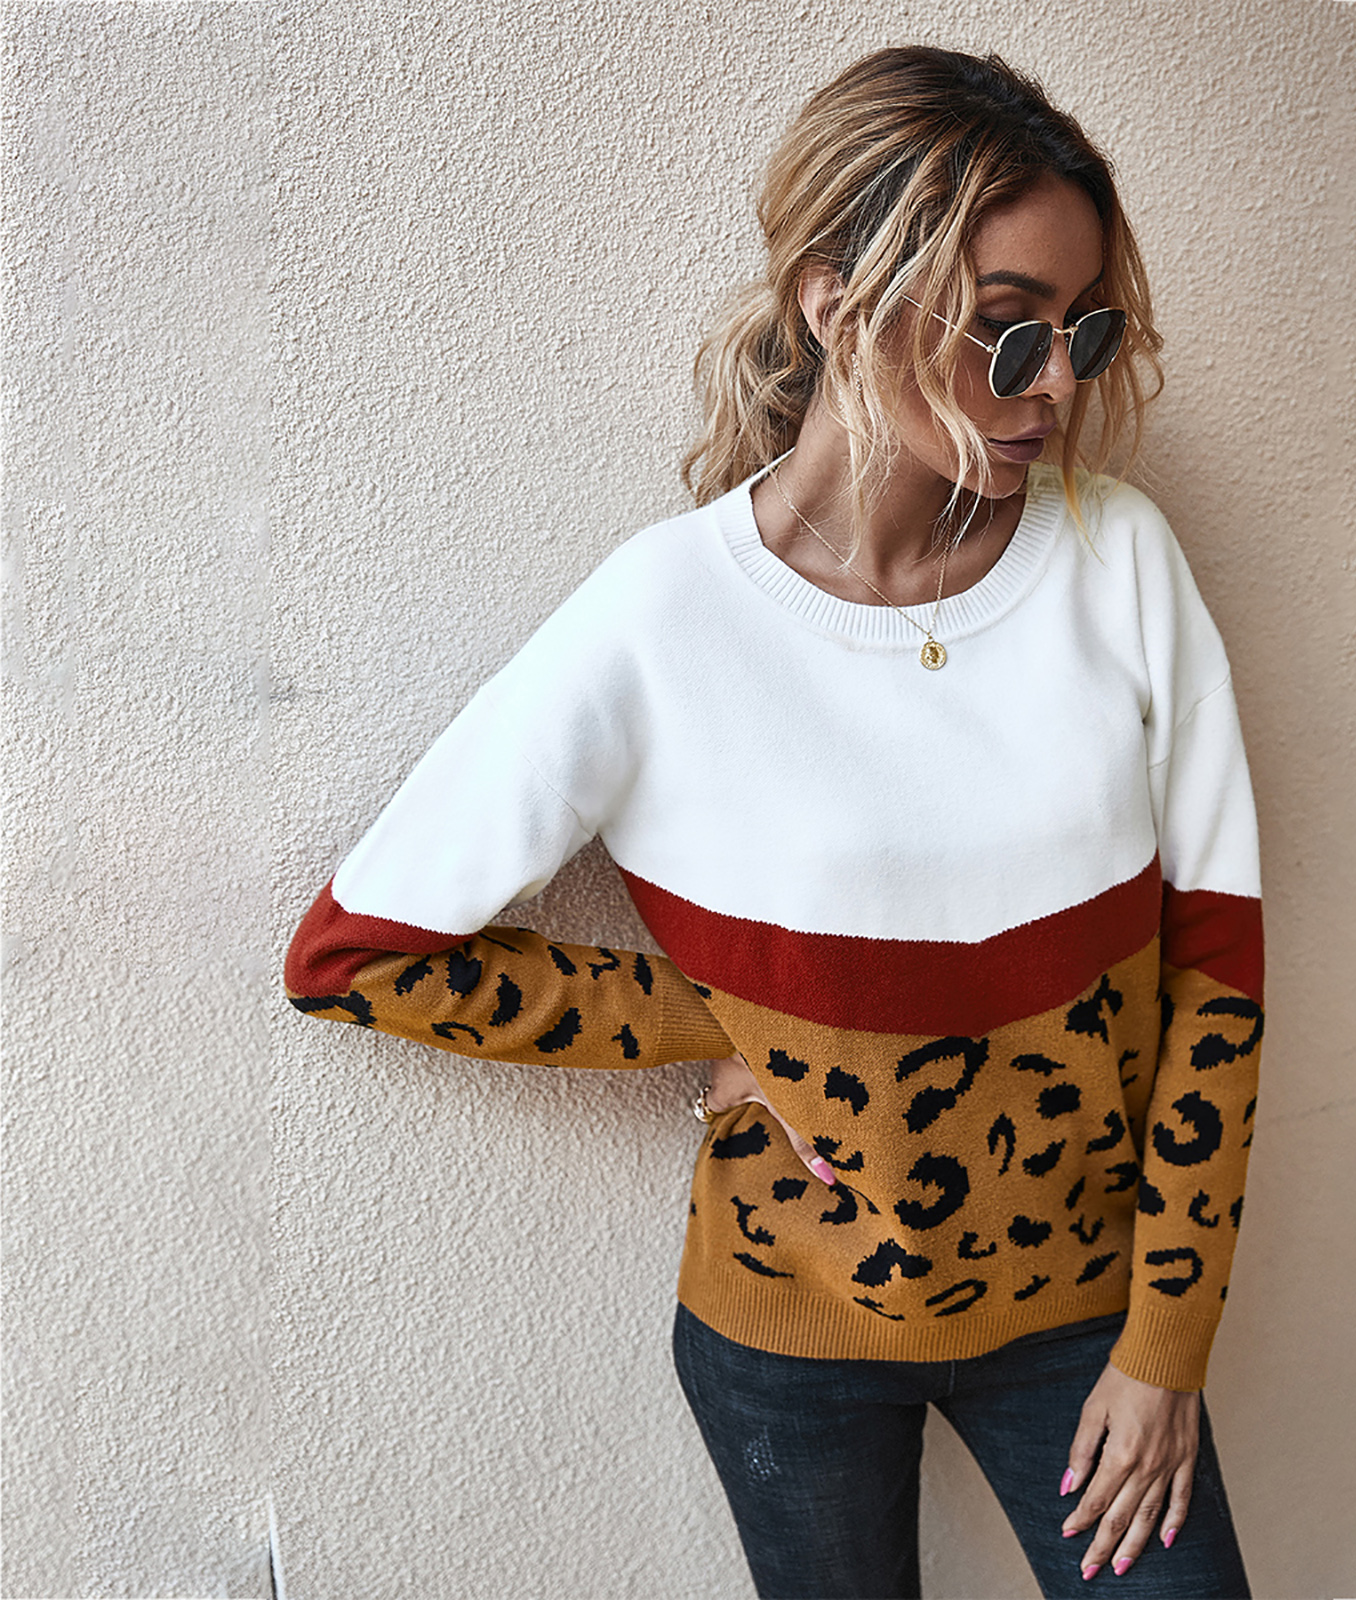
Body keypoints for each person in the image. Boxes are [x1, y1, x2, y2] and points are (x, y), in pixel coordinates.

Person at [285, 45, 1262, 1600]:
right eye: (1010, 330)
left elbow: (1218, 974)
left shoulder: (1119, 561)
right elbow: (353, 955)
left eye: (1085, 331)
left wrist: (1167, 1348)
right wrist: (726, 1027)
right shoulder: (663, 618)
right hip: (786, 1337)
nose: (1060, 388)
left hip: (1088, 1320)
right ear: (836, 303)